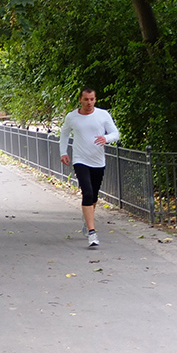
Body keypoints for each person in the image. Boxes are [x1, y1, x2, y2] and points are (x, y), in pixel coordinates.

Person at [58, 88, 120, 247]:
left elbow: (115, 133)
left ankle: (87, 221)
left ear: (95, 99)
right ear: (80, 100)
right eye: (86, 99)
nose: (89, 103)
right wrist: (63, 152)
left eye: (92, 99)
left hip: (98, 161)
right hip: (80, 160)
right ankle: (92, 233)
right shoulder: (72, 117)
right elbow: (64, 133)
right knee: (87, 192)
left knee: (94, 197)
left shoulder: (102, 115)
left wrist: (106, 138)